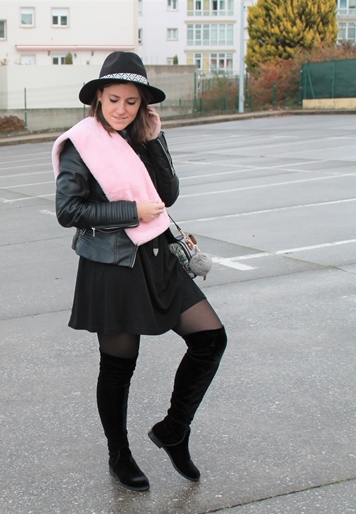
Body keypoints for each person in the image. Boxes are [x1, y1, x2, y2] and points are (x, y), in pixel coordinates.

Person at [51, 52, 227, 491]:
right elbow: (68, 210)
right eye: (114, 99)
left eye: (132, 102)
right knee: (118, 367)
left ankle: (174, 429)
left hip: (157, 255)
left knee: (210, 338)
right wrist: (130, 211)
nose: (121, 109)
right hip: (112, 266)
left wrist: (154, 140)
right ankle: (119, 454)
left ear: (142, 104)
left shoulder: (141, 135)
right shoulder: (81, 143)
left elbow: (167, 194)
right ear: (98, 97)